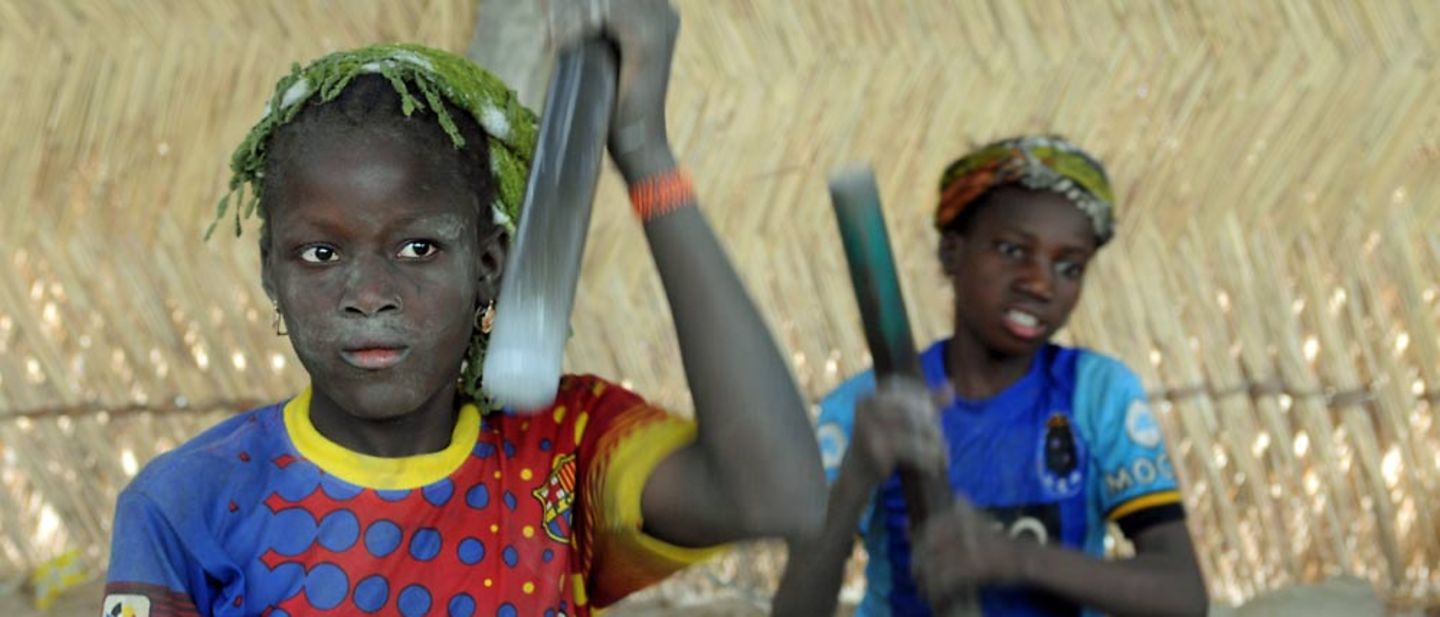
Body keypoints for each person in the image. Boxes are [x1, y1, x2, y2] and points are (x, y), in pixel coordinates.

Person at [101, 2, 825, 615]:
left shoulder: (560, 461)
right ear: (270, 272)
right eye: (321, 254)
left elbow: (776, 489)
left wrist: (644, 149)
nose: (368, 293)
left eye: (418, 248)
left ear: (488, 265)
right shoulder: (190, 501)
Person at [773, 135, 1207, 617]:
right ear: (951, 254)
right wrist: (855, 477)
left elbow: (1182, 595)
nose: (1040, 282)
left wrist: (1014, 558)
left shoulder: (1096, 395)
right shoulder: (871, 408)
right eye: (1011, 249)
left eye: (1069, 266)